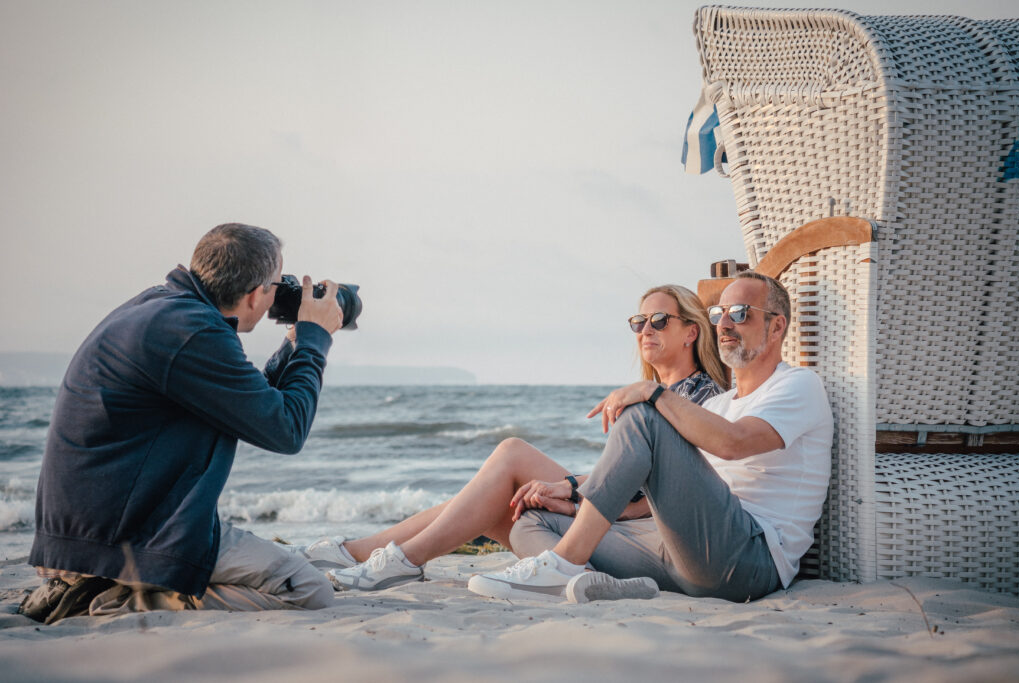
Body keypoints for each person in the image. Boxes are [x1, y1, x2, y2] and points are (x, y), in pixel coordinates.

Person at [21, 223, 345, 623]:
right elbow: (286, 429)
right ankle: (109, 601)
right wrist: (316, 341)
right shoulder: (192, 332)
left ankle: (108, 581)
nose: (283, 294)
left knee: (279, 566)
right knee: (310, 590)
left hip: (89, 533)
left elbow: (251, 402)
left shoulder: (167, 311)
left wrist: (296, 342)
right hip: (124, 539)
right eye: (280, 284)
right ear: (253, 294)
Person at [312, 285, 728, 593]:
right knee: (500, 500)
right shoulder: (651, 394)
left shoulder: (701, 398)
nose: (645, 330)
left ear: (691, 332)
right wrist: (567, 490)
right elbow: (624, 475)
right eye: (639, 322)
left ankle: (389, 559)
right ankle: (363, 552)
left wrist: (571, 497)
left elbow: (666, 496)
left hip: (651, 537)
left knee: (511, 457)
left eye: (659, 321)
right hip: (616, 517)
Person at [468, 271, 833, 604]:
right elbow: (666, 487)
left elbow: (734, 443)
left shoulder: (799, 385)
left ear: (776, 327)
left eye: (739, 313)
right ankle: (592, 583)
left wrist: (653, 392)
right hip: (683, 552)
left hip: (750, 558)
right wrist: (574, 494)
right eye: (718, 314)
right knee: (532, 520)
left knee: (643, 414)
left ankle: (563, 565)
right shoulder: (719, 405)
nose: (724, 323)